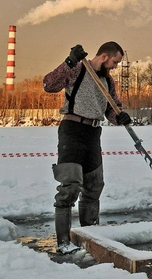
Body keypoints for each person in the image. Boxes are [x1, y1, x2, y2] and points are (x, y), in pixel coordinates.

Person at [43, 42, 132, 254]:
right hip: (72, 131)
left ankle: (90, 239)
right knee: (70, 187)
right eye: (114, 62)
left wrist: (120, 116)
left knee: (94, 186)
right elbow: (49, 85)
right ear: (103, 56)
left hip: (93, 133)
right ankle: (64, 244)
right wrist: (69, 61)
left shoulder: (108, 82)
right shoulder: (77, 69)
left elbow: (112, 109)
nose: (115, 67)